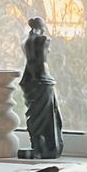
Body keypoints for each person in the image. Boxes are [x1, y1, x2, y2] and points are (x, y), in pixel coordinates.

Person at [20, 16, 64, 159]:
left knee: (37, 117)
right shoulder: (42, 40)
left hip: (30, 80)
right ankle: (45, 148)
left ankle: (39, 147)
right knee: (44, 116)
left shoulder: (25, 42)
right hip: (42, 80)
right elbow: (40, 61)